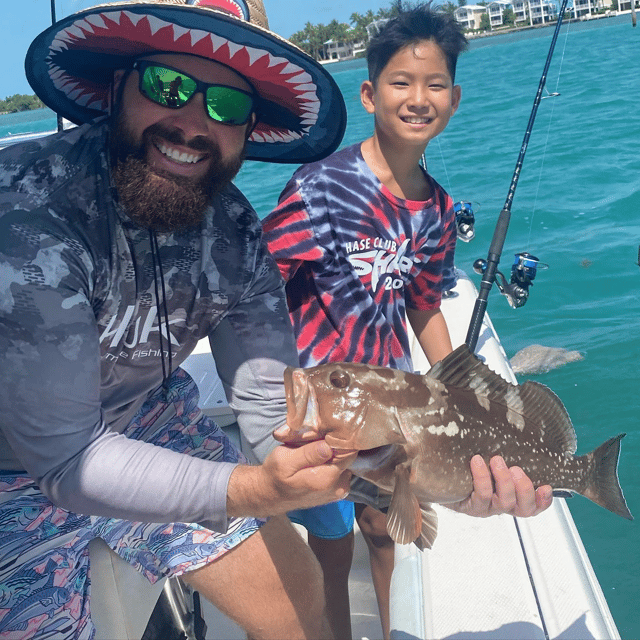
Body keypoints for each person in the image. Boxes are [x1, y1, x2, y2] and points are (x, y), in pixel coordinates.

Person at [0, 1, 349, 638]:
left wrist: (362, 462)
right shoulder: (28, 211)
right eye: (168, 87)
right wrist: (256, 490)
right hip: (13, 466)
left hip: (144, 416)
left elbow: (271, 408)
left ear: (248, 130)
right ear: (115, 90)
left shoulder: (238, 234)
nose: (191, 122)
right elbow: (66, 459)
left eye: (228, 105)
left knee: (297, 599)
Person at [262, 4, 554, 639]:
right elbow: (261, 284)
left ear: (453, 99)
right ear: (370, 93)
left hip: (393, 400)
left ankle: (389, 631)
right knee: (331, 538)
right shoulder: (319, 188)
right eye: (400, 82)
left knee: (386, 526)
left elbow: (423, 303)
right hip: (327, 401)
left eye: (434, 85)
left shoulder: (440, 210)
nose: (417, 98)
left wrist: (463, 385)